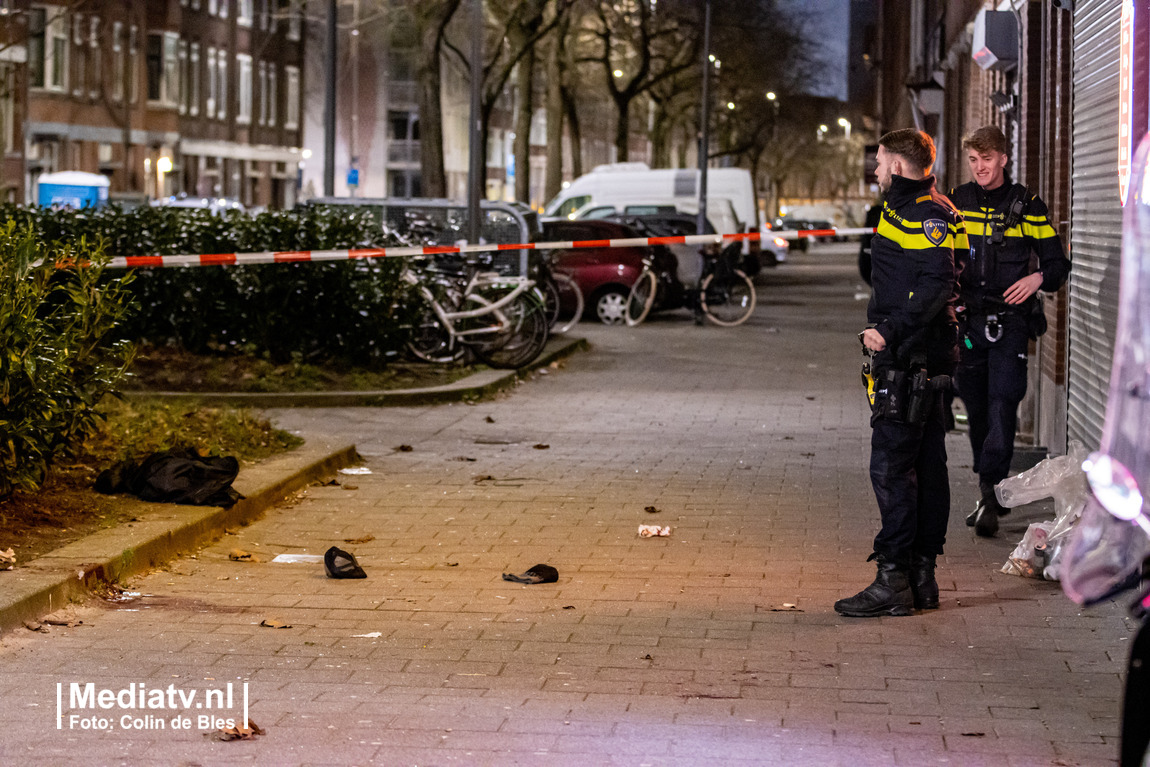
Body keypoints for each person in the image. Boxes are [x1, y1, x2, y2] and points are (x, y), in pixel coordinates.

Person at [834, 129, 960, 618]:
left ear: (900, 166)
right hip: (923, 355)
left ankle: (893, 578)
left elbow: (938, 283)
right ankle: (920, 577)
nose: (876, 170)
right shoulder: (928, 207)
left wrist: (888, 330)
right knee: (926, 465)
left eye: (881, 161)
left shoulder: (924, 214)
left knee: (891, 467)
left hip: (911, 358)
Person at [950, 126, 1071, 538]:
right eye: (973, 160)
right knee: (977, 410)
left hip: (1011, 323)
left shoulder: (1027, 205)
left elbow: (1057, 265)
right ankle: (988, 489)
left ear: (1003, 158)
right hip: (968, 324)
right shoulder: (957, 202)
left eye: (986, 159)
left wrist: (1037, 279)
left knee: (1003, 405)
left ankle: (990, 494)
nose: (979, 167)